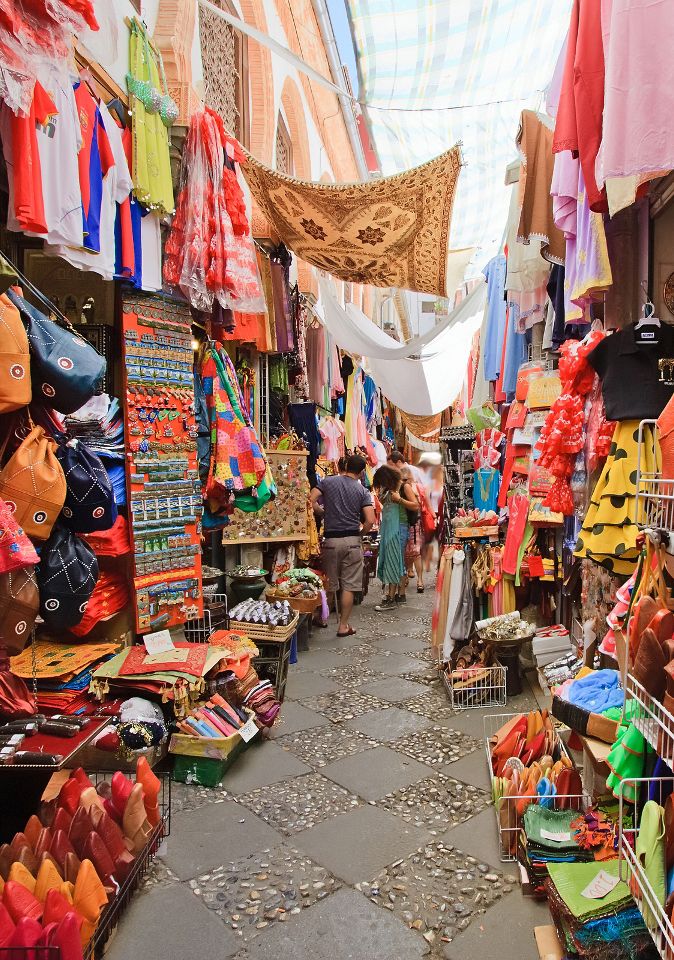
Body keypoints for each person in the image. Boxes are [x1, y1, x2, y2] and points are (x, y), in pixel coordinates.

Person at [310, 454, 375, 637]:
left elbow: (311, 499)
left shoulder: (328, 482)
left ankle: (322, 618)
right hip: (352, 541)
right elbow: (370, 520)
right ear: (362, 472)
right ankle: (343, 626)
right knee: (349, 585)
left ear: (345, 466)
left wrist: (323, 513)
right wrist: (360, 535)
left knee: (330, 581)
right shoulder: (362, 491)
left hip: (331, 540)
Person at [373, 464, 420, 611]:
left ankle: (391, 598)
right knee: (396, 560)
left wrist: (399, 500)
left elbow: (416, 506)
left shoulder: (403, 487)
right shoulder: (388, 489)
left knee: (393, 560)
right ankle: (401, 594)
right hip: (390, 528)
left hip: (399, 528)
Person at [401, 465, 425, 592]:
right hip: (415, 523)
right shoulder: (417, 487)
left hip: (409, 523)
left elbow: (416, 506)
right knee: (416, 553)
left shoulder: (406, 488)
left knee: (408, 552)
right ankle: (419, 580)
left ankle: (409, 578)